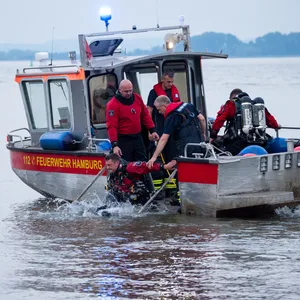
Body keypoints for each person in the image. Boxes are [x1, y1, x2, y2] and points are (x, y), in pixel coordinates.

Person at [210, 88, 280, 155]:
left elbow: (219, 121)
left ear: (232, 97)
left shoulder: (230, 104)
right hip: (260, 142)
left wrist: (213, 136)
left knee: (216, 146)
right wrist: (276, 126)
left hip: (238, 144)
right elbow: (271, 121)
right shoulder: (256, 106)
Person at [106, 79, 159, 162]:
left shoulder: (137, 98)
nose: (129, 93)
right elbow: (111, 126)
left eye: (130, 90)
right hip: (123, 139)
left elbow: (145, 115)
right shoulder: (113, 104)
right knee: (126, 164)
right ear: (120, 90)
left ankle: (143, 175)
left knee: (142, 162)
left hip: (137, 137)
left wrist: (152, 130)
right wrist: (115, 145)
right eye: (126, 91)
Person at [147, 95, 207, 168]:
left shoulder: (172, 117)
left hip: (186, 149)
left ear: (164, 106)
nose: (159, 112)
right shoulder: (188, 105)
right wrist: (203, 133)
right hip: (200, 144)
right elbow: (202, 119)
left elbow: (163, 139)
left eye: (159, 109)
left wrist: (154, 157)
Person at [146, 70, 181, 197]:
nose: (170, 84)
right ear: (162, 80)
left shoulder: (174, 92)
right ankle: (159, 189)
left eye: (172, 82)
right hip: (159, 129)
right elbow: (149, 110)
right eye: (167, 82)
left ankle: (172, 187)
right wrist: (150, 130)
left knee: (172, 156)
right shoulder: (154, 93)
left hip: (172, 130)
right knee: (160, 157)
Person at [104, 153, 177, 205]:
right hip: (124, 196)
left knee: (131, 198)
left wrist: (164, 167)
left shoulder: (130, 167)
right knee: (111, 195)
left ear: (116, 163)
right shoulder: (113, 172)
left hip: (138, 195)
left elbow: (147, 166)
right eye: (106, 165)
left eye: (109, 165)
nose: (107, 168)